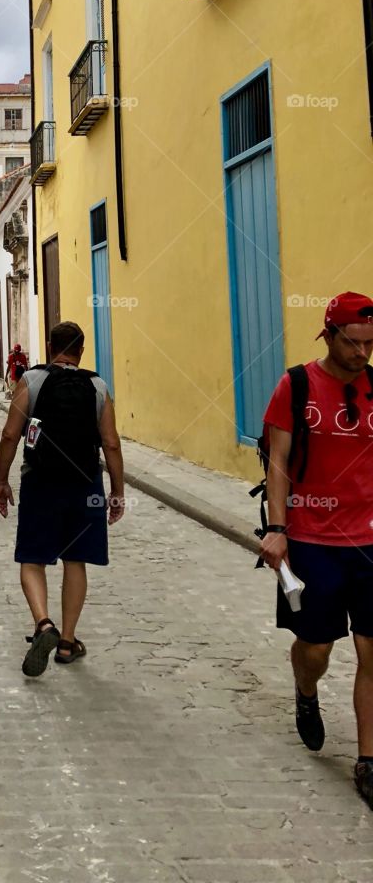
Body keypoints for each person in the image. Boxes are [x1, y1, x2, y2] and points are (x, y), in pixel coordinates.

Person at [259, 292, 373, 810]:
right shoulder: (297, 385)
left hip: (369, 540)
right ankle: (306, 692)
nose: (361, 353)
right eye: (352, 343)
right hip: (311, 540)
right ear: (328, 336)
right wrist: (277, 528)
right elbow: (278, 461)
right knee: (316, 649)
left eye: (370, 344)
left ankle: (368, 760)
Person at [0, 321, 125, 675]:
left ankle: (43, 624)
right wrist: (117, 491)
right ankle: (67, 642)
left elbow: (10, 435)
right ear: (81, 350)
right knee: (75, 560)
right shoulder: (98, 387)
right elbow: (111, 443)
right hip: (85, 484)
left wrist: (1, 481)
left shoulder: (31, 381)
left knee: (32, 558)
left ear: (51, 347)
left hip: (40, 482)